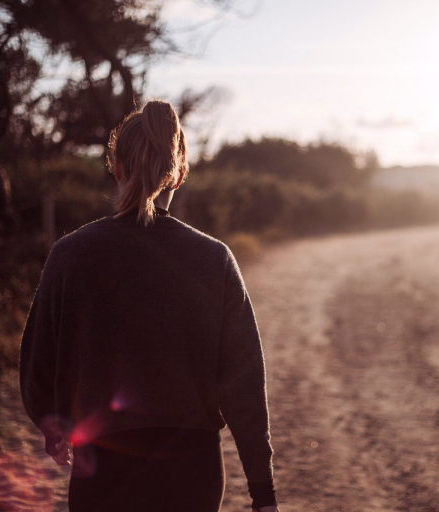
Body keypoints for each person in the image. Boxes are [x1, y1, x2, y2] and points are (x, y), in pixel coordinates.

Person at [19, 100, 279, 512]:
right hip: (192, 472)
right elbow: (244, 387)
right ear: (178, 173)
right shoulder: (214, 259)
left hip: (101, 469)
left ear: (116, 167)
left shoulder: (70, 255)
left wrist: (53, 425)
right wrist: (263, 493)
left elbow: (39, 363)